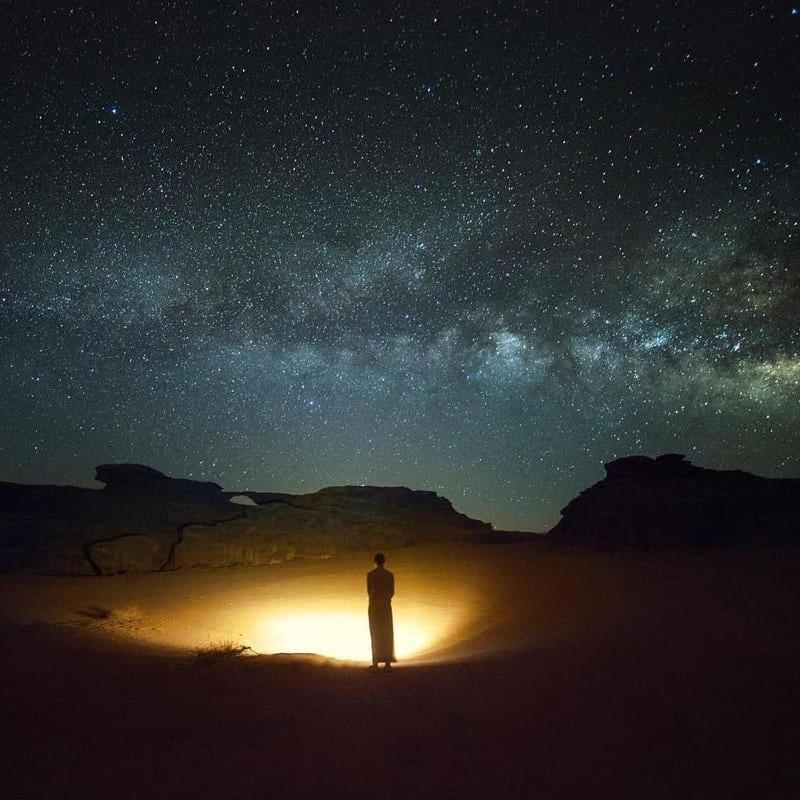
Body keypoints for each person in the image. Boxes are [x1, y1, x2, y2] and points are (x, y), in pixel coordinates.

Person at [367, 552, 395, 672]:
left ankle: (375, 663)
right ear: (384, 561)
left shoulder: (370, 574)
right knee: (387, 632)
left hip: (374, 606)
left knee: (375, 633)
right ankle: (387, 663)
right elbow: (392, 592)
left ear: (375, 562)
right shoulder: (390, 575)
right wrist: (386, 599)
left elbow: (369, 591)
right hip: (385, 605)